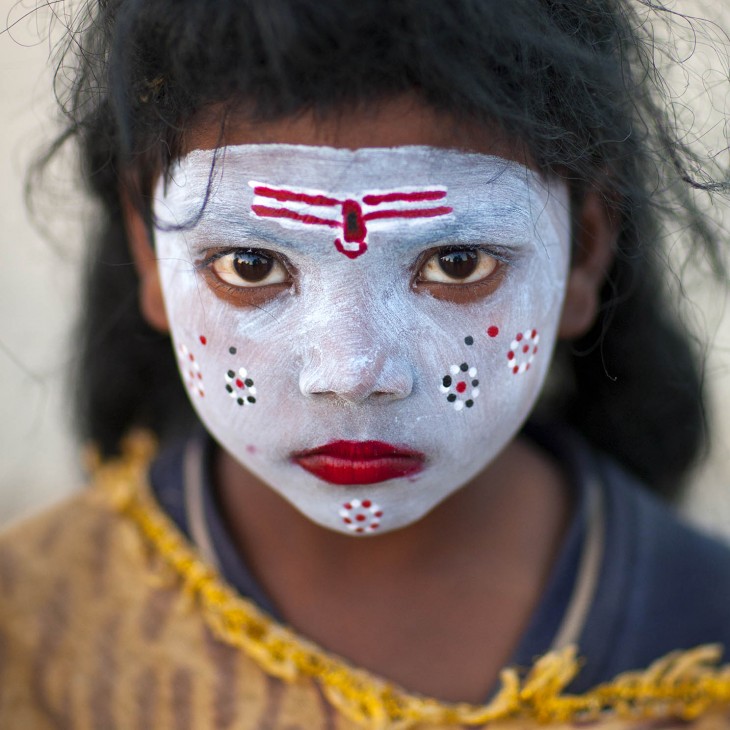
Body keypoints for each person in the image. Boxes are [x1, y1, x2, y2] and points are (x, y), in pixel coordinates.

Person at [1, 0, 730, 727]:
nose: (352, 373)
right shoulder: (29, 632)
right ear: (148, 251)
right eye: (251, 266)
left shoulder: (707, 637)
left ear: (584, 249)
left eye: (456, 262)